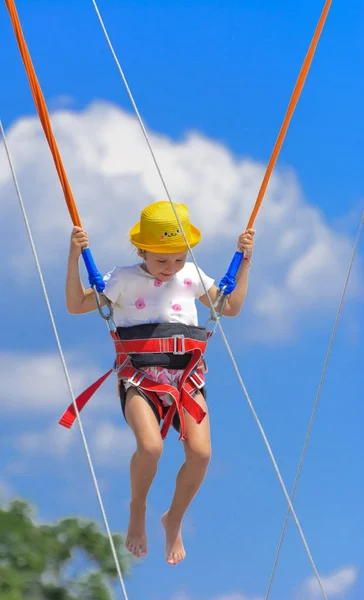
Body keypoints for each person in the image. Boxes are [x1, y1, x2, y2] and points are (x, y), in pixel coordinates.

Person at [65, 201, 255, 566]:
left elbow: (229, 308)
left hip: (185, 378)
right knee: (150, 448)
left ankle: (174, 519)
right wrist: (75, 257)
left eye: (178, 259)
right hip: (139, 378)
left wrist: (244, 262)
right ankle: (137, 510)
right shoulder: (121, 279)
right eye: (161, 261)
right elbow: (76, 304)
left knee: (201, 455)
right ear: (142, 251)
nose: (170, 269)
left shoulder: (192, 277)